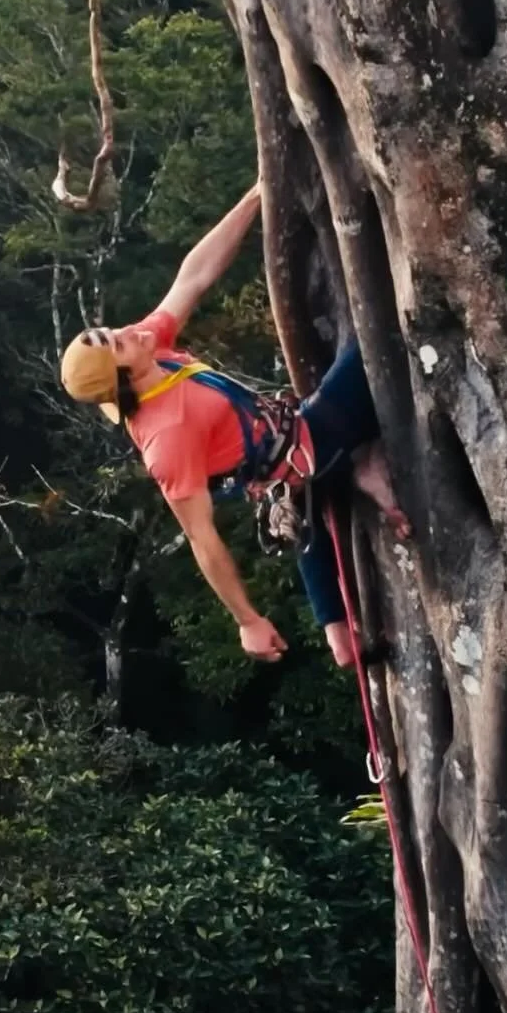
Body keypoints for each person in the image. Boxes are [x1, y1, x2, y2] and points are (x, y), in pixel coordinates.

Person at [59, 181, 410, 666]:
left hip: (286, 460)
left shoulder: (149, 349)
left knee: (304, 489)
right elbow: (203, 541)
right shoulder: (166, 437)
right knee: (378, 336)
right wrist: (248, 620)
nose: (125, 331)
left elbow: (193, 278)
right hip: (306, 444)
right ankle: (358, 464)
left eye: (108, 331)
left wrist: (253, 197)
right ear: (122, 379)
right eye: (115, 343)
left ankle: (339, 630)